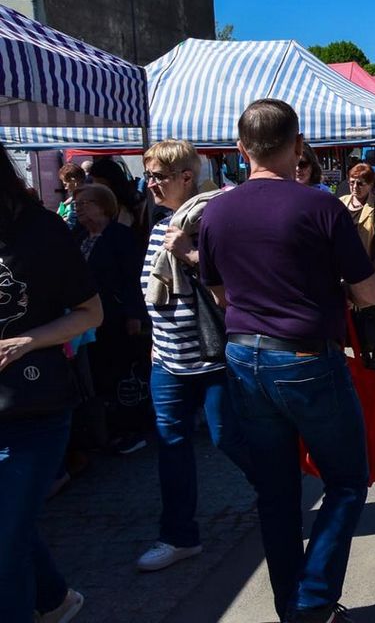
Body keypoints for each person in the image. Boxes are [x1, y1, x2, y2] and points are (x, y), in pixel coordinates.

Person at [198, 99, 375, 623]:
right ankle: (311, 602)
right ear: (297, 145)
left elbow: (219, 294)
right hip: (304, 358)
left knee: (276, 492)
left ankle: (293, 607)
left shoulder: (216, 210)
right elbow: (368, 293)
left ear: (240, 149)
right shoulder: (320, 207)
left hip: (243, 356)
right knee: (346, 481)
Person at [135, 140, 252, 573]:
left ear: (187, 177)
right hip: (167, 358)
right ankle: (179, 536)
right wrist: (155, 338)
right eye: (148, 176)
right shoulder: (161, 222)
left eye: (159, 176)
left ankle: (277, 490)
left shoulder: (213, 218)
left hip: (213, 355)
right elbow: (155, 289)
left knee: (226, 436)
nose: (150, 184)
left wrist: (188, 252)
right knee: (171, 445)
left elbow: (237, 282)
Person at [0, 142, 101, 623]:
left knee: (4, 544)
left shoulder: (39, 230)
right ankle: (56, 599)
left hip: (31, 411)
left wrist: (27, 340)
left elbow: (90, 313)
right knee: (8, 529)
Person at [72, 183, 149, 450]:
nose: (77, 208)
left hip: (116, 314)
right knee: (97, 372)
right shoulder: (79, 235)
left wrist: (134, 313)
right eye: (76, 204)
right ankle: (103, 430)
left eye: (84, 203)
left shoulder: (120, 236)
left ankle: (130, 429)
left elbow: (133, 278)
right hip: (85, 319)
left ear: (103, 206)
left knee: (121, 371)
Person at [339, 163, 375, 369]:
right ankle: (358, 348)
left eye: (360, 183)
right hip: (347, 265)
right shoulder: (342, 202)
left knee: (374, 309)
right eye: (352, 182)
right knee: (352, 309)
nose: (355, 187)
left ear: (370, 184)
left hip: (371, 264)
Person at [56, 163, 85, 230]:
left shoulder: (79, 200)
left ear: (73, 180)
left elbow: (72, 225)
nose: (65, 188)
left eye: (65, 184)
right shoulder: (89, 192)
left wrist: (61, 221)